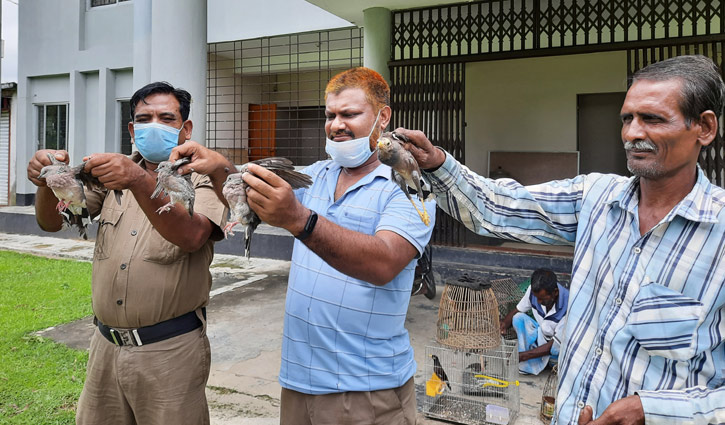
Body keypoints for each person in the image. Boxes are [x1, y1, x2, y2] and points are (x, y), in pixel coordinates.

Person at [396, 55, 725, 424]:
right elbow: (497, 208)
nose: (632, 133)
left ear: (705, 128)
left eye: (652, 118)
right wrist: (438, 163)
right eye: (627, 119)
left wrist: (653, 411)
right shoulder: (596, 198)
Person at [170, 67, 435, 424]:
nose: (336, 125)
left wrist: (299, 219)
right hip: (298, 381)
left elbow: (384, 263)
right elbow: (248, 200)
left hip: (368, 390)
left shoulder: (410, 185)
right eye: (330, 116)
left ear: (382, 117)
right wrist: (221, 168)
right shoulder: (317, 176)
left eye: (350, 114)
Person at [27, 81, 227, 425]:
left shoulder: (203, 177)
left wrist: (137, 178)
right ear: (132, 129)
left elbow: (194, 235)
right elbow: (52, 223)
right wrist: (49, 180)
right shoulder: (107, 178)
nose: (154, 125)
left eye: (166, 118)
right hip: (104, 346)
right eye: (144, 118)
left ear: (185, 128)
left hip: (170, 351)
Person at [500, 268, 568, 375]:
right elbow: (517, 310)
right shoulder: (533, 291)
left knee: (556, 358)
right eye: (537, 298)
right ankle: (527, 365)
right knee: (518, 318)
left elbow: (554, 345)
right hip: (542, 338)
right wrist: (504, 324)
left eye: (543, 299)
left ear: (555, 292)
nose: (539, 302)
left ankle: (533, 360)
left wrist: (523, 356)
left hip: (557, 351)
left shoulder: (568, 305)